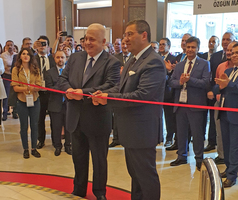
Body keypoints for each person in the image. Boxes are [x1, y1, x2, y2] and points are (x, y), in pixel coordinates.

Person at [92, 19, 165, 200]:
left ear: (144, 35)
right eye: (125, 35)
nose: (125, 39)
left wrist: (108, 99)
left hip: (142, 130)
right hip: (130, 129)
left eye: (130, 34)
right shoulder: (133, 59)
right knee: (135, 176)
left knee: (146, 176)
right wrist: (104, 93)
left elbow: (141, 95)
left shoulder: (153, 62)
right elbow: (122, 88)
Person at [58, 23, 120, 200]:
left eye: (92, 39)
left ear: (103, 41)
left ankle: (100, 193)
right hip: (75, 119)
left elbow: (111, 85)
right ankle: (78, 190)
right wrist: (69, 90)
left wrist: (83, 94)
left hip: (98, 120)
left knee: (99, 161)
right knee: (78, 158)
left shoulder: (112, 62)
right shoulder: (76, 58)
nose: (88, 43)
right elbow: (62, 79)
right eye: (86, 38)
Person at [169, 37, 210, 171]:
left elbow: (205, 83)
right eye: (188, 47)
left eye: (193, 47)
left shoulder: (204, 64)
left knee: (197, 133)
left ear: (198, 49)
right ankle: (182, 156)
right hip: (180, 104)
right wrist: (180, 82)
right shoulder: (180, 65)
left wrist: (189, 80)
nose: (190, 50)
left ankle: (199, 159)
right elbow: (171, 82)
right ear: (185, 48)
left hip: (196, 105)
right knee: (181, 132)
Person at [204, 32, 235, 153]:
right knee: (220, 129)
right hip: (219, 100)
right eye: (224, 39)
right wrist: (214, 91)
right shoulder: (220, 63)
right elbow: (214, 82)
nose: (230, 53)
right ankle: (222, 155)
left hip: (233, 105)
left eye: (233, 52)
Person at [213, 43, 238, 187]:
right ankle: (229, 169)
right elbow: (217, 88)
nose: (234, 55)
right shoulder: (228, 72)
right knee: (227, 145)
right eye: (233, 53)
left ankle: (232, 175)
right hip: (224, 114)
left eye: (237, 52)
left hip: (235, 115)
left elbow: (233, 87)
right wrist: (221, 85)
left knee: (234, 146)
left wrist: (229, 85)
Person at [11, 48, 42, 159]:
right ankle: (25, 149)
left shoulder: (35, 69)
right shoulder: (16, 69)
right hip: (22, 101)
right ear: (20, 56)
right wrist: (26, 88)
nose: (25, 56)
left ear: (31, 56)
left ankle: (34, 148)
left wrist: (33, 88)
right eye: (23, 54)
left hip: (34, 100)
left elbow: (39, 85)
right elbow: (15, 87)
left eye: (27, 54)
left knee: (34, 125)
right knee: (24, 126)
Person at [45, 50, 71, 156]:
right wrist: (62, 86)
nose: (60, 59)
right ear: (54, 59)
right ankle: (57, 146)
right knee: (56, 126)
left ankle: (68, 145)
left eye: (62, 57)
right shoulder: (49, 72)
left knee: (69, 126)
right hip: (55, 104)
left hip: (68, 104)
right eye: (58, 57)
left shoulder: (70, 72)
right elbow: (49, 88)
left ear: (66, 59)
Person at [34, 35, 56, 149]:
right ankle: (41, 140)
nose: (42, 46)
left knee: (54, 118)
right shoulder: (33, 59)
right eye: (40, 44)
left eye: (45, 44)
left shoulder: (52, 59)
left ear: (48, 47)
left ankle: (55, 141)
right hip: (38, 92)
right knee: (40, 118)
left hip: (50, 92)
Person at [159, 37, 177, 147]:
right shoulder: (155, 58)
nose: (161, 46)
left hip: (168, 92)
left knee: (169, 117)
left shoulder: (173, 59)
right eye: (160, 44)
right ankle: (158, 136)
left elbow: (174, 77)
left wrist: (169, 70)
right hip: (156, 92)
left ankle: (169, 138)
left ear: (169, 47)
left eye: (163, 44)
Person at [1, 40, 17, 121]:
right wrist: (11, 65)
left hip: (15, 76)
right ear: (6, 47)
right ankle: (5, 112)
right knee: (6, 94)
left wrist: (10, 65)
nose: (10, 47)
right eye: (8, 45)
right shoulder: (3, 55)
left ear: (14, 46)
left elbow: (12, 65)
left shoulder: (16, 55)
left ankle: (15, 112)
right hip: (6, 76)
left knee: (15, 93)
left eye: (11, 45)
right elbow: (8, 64)